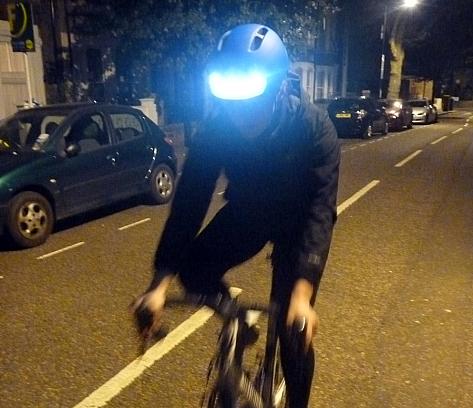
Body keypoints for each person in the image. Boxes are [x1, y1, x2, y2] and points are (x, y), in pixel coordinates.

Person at [132, 23, 340, 407]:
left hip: (298, 224)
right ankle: (238, 322)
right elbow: (189, 204)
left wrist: (302, 295)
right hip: (250, 212)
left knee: (293, 333)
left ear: (278, 88)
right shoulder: (217, 130)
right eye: (232, 104)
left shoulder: (314, 128)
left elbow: (319, 210)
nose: (241, 117)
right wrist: (158, 284)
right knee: (192, 268)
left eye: (252, 104)